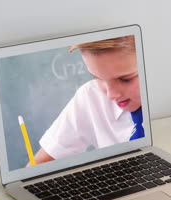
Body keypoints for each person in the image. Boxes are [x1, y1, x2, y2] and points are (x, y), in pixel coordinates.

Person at [32, 35, 144, 165]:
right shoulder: (91, 96)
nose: (111, 94)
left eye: (126, 79)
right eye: (98, 78)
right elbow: (39, 164)